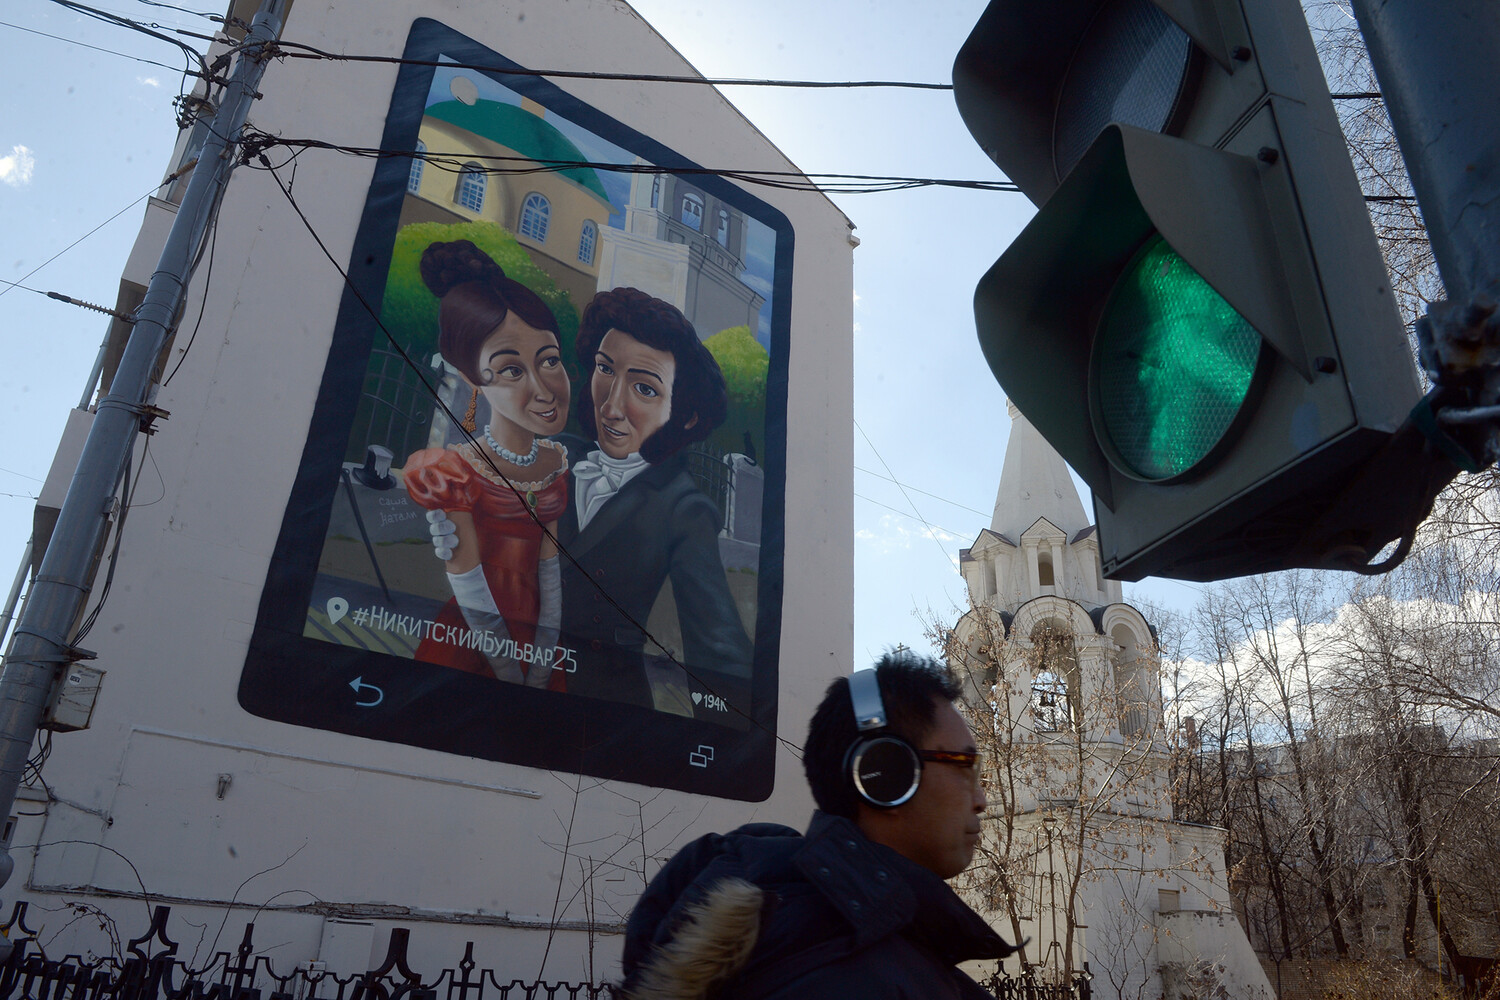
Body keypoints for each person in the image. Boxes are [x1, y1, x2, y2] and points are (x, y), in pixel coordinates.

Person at [621, 650, 1016, 999]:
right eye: (964, 766)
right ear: (886, 774)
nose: (981, 800)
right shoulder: (847, 976)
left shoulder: (846, 948)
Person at [554, 287, 752, 708]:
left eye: (644, 389)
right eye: (605, 369)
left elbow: (719, 650)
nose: (611, 407)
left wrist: (739, 740)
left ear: (685, 415)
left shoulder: (683, 508)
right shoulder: (556, 456)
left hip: (601, 713)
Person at [402, 240, 570, 688]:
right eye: (512, 369)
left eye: (550, 360)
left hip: (537, 640)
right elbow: (467, 582)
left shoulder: (555, 464)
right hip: (475, 641)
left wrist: (542, 663)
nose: (544, 389)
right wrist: (511, 673)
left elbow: (550, 574)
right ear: (470, 377)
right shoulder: (455, 471)